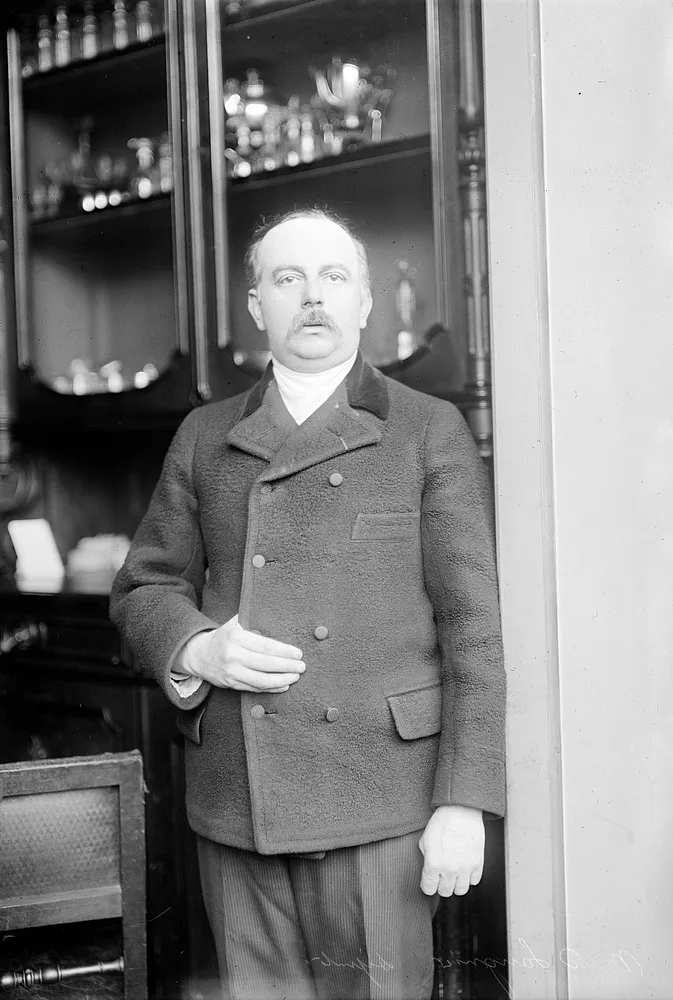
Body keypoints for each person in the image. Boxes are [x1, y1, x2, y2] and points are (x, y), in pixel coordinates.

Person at [110, 208, 506, 1000]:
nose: (313, 297)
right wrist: (197, 648)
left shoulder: (426, 430)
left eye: (333, 277)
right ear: (256, 306)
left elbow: (473, 631)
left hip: (380, 799)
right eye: (287, 279)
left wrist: (464, 802)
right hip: (238, 799)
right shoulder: (204, 434)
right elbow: (143, 589)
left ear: (363, 300)